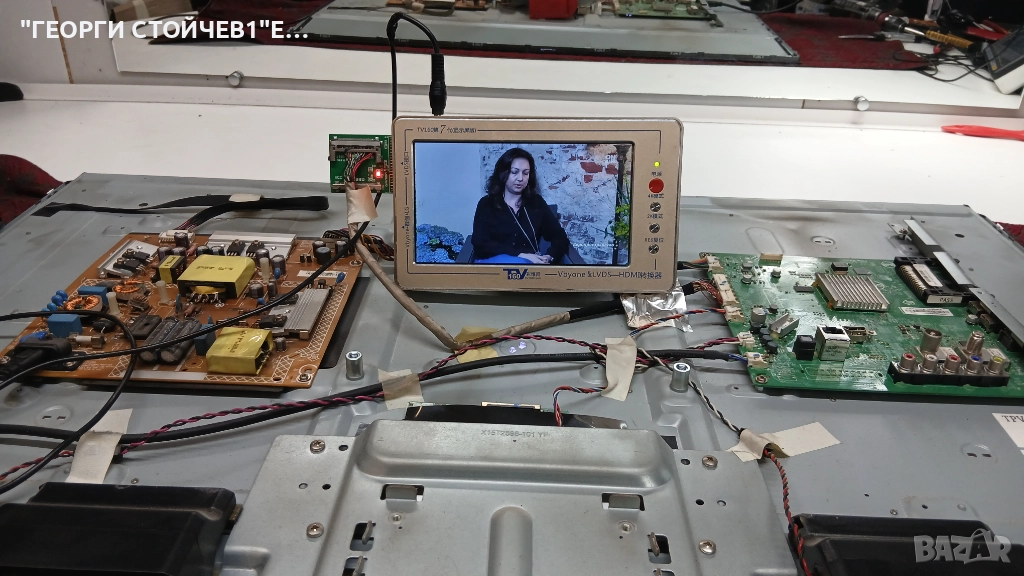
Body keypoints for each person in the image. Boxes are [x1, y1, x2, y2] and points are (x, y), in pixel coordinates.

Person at [471, 148, 570, 264]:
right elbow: (480, 244)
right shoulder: (486, 204)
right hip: (494, 266)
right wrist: (520, 255)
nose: (520, 178)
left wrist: (549, 256)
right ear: (503, 173)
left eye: (525, 173)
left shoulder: (536, 203)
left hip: (528, 269)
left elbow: (560, 237)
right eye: (514, 172)